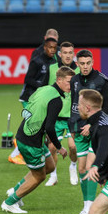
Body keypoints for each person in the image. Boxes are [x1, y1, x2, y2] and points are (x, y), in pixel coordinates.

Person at [2, 66, 76, 214]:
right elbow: (50, 127)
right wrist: (59, 147)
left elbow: (30, 107)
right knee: (39, 176)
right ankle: (9, 203)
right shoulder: (57, 100)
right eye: (69, 82)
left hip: (27, 135)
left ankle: (15, 192)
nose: (71, 85)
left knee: (49, 167)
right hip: (31, 143)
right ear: (59, 80)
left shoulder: (44, 89)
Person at [69, 50, 108, 214]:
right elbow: (73, 107)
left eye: (88, 63)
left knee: (89, 167)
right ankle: (96, 201)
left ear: (92, 62)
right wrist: (71, 131)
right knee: (82, 170)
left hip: (96, 130)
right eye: (82, 63)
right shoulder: (74, 80)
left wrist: (92, 124)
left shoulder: (103, 80)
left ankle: (88, 209)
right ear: (77, 63)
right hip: (79, 131)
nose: (85, 66)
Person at [8, 36, 59, 165]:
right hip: (29, 97)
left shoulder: (54, 62)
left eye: (55, 48)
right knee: (31, 124)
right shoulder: (37, 61)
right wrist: (42, 86)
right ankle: (15, 154)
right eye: (50, 48)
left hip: (40, 99)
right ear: (44, 47)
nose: (53, 50)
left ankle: (37, 151)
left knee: (39, 125)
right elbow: (28, 79)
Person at [45, 41, 80, 186]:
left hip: (72, 116)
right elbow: (47, 89)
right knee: (52, 147)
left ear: (73, 54)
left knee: (73, 147)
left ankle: (73, 167)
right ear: (60, 54)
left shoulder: (78, 71)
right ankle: (53, 175)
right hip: (56, 115)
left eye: (70, 53)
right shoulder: (52, 69)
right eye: (64, 52)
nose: (67, 55)